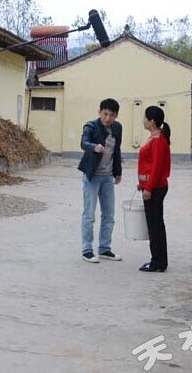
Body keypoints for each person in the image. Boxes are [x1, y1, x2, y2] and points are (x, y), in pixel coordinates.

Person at [78, 98, 123, 263]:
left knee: (109, 215)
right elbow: (84, 143)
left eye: (112, 115)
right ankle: (87, 250)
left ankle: (105, 248)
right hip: (92, 176)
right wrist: (94, 147)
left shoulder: (117, 128)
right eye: (105, 114)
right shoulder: (91, 126)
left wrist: (118, 172)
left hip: (107, 177)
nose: (108, 118)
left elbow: (117, 150)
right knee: (89, 214)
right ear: (99, 112)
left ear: (116, 116)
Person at [137, 106, 171, 272]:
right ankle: (159, 260)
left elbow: (157, 167)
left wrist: (148, 188)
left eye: (145, 117)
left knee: (155, 226)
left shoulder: (158, 140)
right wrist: (142, 183)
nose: (143, 120)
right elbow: (149, 165)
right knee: (155, 224)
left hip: (155, 188)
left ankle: (158, 262)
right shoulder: (156, 137)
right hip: (153, 186)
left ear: (151, 121)